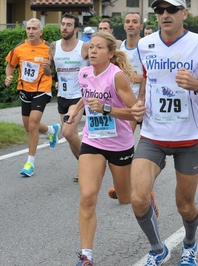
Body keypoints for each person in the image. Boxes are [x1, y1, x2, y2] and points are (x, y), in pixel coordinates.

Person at [131, 0, 198, 265]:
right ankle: (157, 248)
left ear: (184, 13)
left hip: (187, 138)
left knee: (184, 205)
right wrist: (139, 105)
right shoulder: (145, 45)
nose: (164, 14)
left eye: (171, 9)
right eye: (159, 10)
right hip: (152, 135)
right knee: (138, 198)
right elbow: (148, 82)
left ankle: (190, 243)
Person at [64, 31, 137, 266]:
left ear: (110, 53)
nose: (92, 51)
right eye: (91, 47)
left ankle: (145, 194)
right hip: (93, 141)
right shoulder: (84, 73)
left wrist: (106, 109)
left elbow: (135, 111)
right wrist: (76, 109)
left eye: (99, 48)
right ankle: (86, 255)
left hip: (119, 143)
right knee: (87, 197)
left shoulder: (117, 77)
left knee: (126, 198)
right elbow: (86, 96)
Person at [5, 18, 61, 177]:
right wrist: (9, 77)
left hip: (42, 89)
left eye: (34, 29)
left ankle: (30, 162)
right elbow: (10, 65)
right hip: (24, 90)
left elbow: (52, 70)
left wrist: (48, 70)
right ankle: (51, 130)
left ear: (41, 32)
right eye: (28, 28)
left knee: (33, 123)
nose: (31, 31)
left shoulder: (49, 48)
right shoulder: (19, 48)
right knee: (28, 127)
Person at [45, 13, 89, 182]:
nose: (64, 27)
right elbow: (50, 71)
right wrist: (47, 69)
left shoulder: (84, 47)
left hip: (78, 96)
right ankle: (82, 165)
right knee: (69, 136)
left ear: (76, 29)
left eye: (69, 25)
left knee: (68, 131)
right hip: (62, 96)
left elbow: (96, 66)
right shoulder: (54, 46)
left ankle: (88, 165)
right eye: (63, 24)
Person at [107, 12, 145, 201]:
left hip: (145, 102)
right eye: (128, 22)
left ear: (141, 26)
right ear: (124, 25)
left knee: (152, 146)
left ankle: (143, 182)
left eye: (135, 22)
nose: (131, 25)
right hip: (127, 103)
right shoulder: (120, 47)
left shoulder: (145, 47)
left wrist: (142, 82)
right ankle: (125, 184)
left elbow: (150, 74)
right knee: (125, 140)